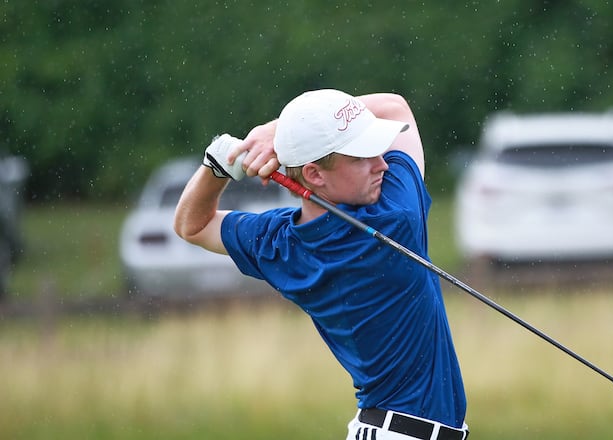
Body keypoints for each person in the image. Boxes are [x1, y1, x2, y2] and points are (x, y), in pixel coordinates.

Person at [174, 89, 469, 440]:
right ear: (314, 175)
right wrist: (275, 130)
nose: (382, 165)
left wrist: (218, 165)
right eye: (362, 158)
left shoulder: (280, 245)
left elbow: (191, 224)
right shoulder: (395, 218)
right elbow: (394, 107)